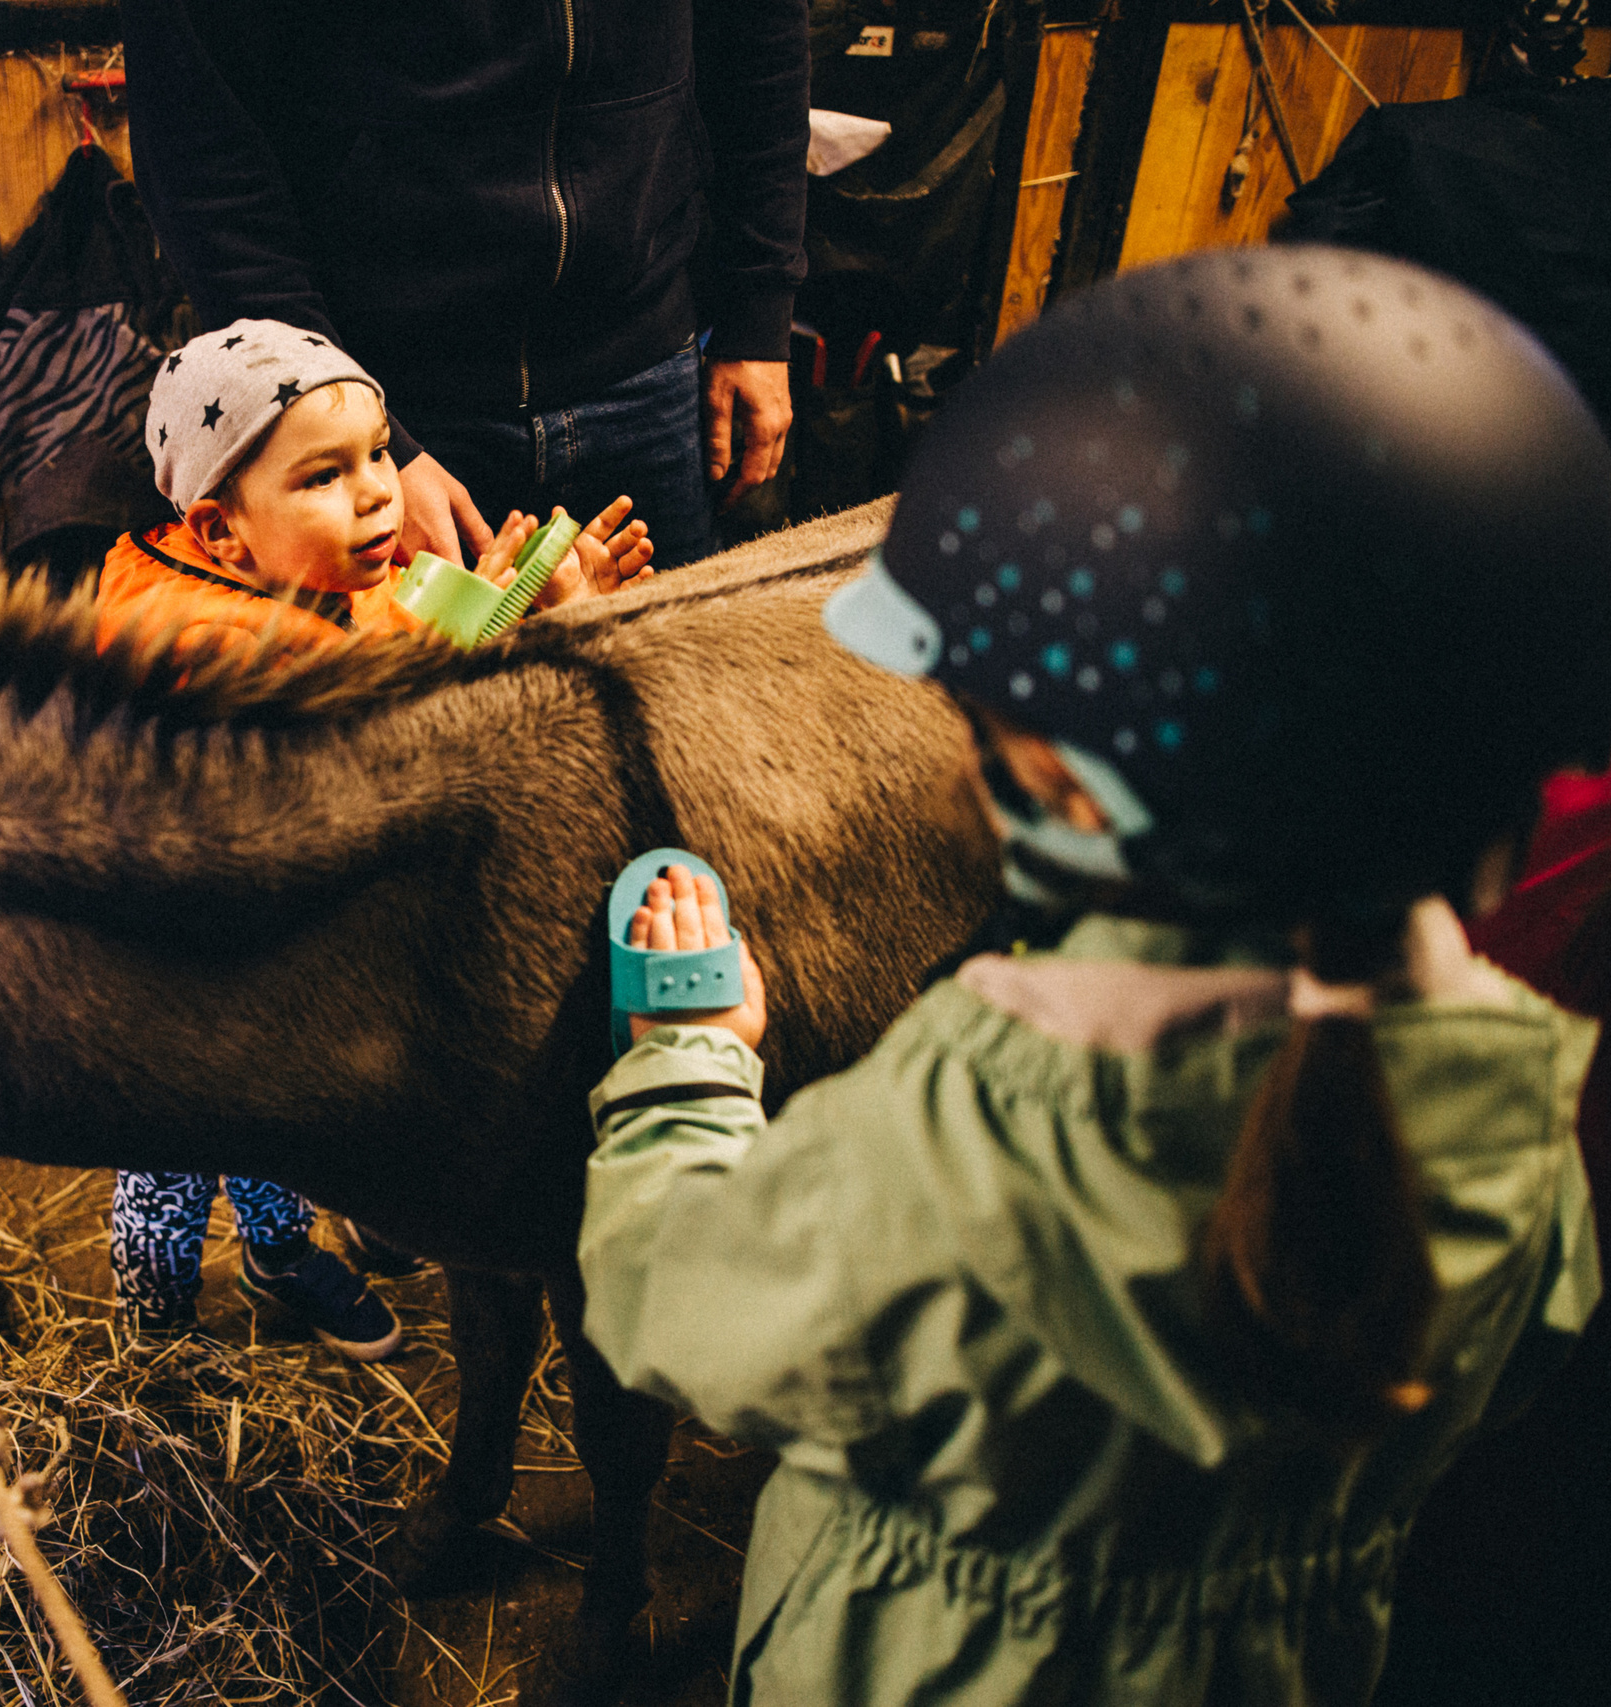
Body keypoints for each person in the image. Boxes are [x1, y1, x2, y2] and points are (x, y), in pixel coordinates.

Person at [574, 246, 1611, 1703]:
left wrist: (692, 1063)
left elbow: (670, 1306)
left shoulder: (963, 1143)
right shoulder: (1525, 1118)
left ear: (1050, 771)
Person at [100, 317, 649, 1356]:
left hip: (283, 958)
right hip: (175, 969)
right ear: (221, 531)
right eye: (323, 476)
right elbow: (378, 740)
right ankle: (155, 1327)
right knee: (172, 1147)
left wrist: (518, 603)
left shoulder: (332, 578)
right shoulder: (198, 649)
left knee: (273, 1118)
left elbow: (413, 641)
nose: (376, 493)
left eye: (380, 454)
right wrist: (538, 640)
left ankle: (275, 1254)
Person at [119, 0, 809, 574]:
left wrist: (759, 310)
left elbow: (761, 42)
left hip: (650, 381)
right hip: (386, 405)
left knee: (674, 722)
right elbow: (203, 157)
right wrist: (363, 448)